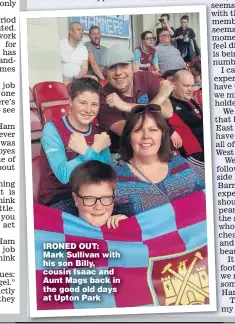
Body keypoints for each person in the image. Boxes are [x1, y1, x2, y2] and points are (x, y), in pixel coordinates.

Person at [114, 104, 205, 217]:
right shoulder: (115, 178)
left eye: (153, 130)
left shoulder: (181, 164)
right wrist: (115, 219)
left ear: (162, 135)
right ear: (129, 138)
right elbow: (97, 215)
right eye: (138, 130)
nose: (146, 136)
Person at [39, 77, 112, 214]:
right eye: (83, 103)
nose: (88, 110)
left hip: (93, 195)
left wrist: (85, 150)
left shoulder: (99, 133)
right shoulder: (52, 129)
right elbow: (63, 175)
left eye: (94, 104)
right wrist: (93, 149)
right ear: (71, 102)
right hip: (60, 197)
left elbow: (108, 174)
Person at [97, 44, 174, 155]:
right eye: (112, 67)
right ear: (105, 72)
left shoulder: (147, 77)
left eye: (124, 65)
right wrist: (160, 97)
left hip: (159, 148)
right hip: (126, 155)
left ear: (133, 66)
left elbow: (167, 112)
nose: (118, 72)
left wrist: (126, 106)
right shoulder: (104, 97)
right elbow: (132, 133)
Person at [70, 160, 127, 228]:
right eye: (89, 198)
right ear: (76, 199)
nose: (98, 207)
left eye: (105, 198)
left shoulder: (124, 225)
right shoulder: (62, 229)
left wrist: (128, 226)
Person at [168, 70, 204, 167]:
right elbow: (155, 121)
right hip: (194, 156)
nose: (190, 89)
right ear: (174, 86)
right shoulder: (167, 105)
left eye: (192, 86)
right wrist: (170, 131)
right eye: (186, 86)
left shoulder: (191, 101)